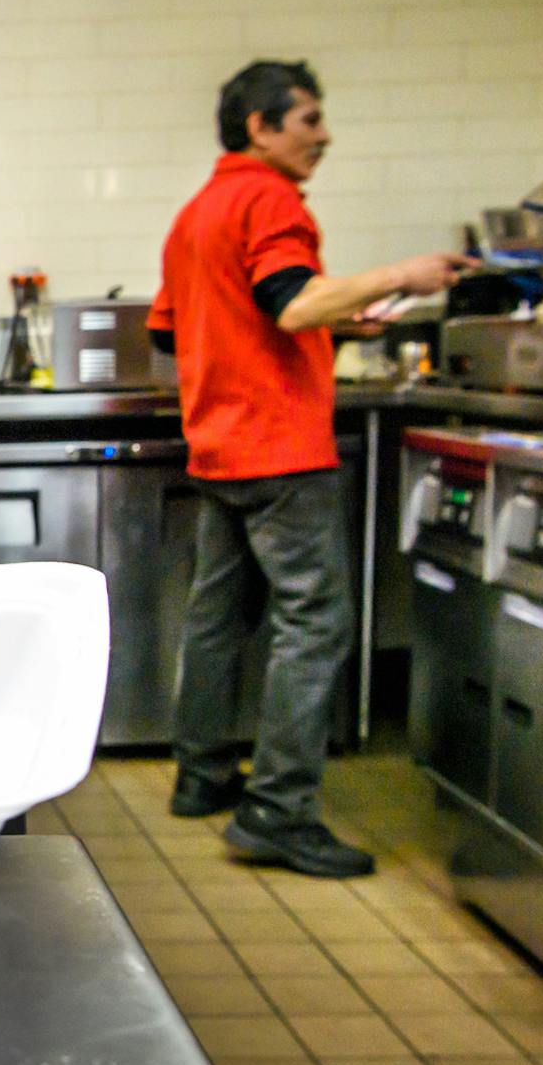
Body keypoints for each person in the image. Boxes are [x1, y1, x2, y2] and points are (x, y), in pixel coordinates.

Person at [147, 60, 475, 878]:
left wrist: (337, 327)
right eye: (308, 120)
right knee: (316, 620)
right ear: (260, 127)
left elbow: (170, 333)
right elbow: (291, 301)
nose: (324, 136)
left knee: (218, 615)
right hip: (280, 448)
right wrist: (405, 274)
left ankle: (202, 775)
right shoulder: (269, 198)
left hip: (219, 445)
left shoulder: (197, 212)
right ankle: (278, 813)